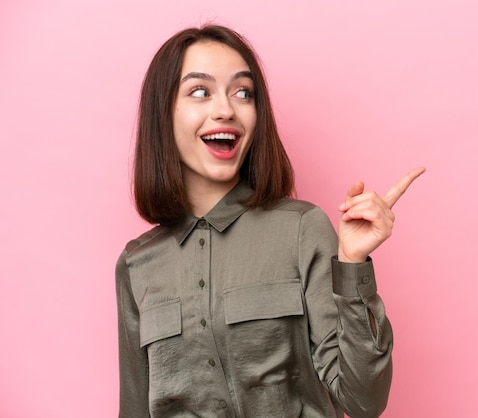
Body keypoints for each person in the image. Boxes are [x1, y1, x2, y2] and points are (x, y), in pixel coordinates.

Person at [116, 24, 425, 418]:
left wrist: (352, 265)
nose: (226, 109)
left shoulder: (301, 229)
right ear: (164, 114)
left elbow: (363, 400)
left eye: (243, 92)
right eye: (200, 91)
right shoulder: (135, 264)